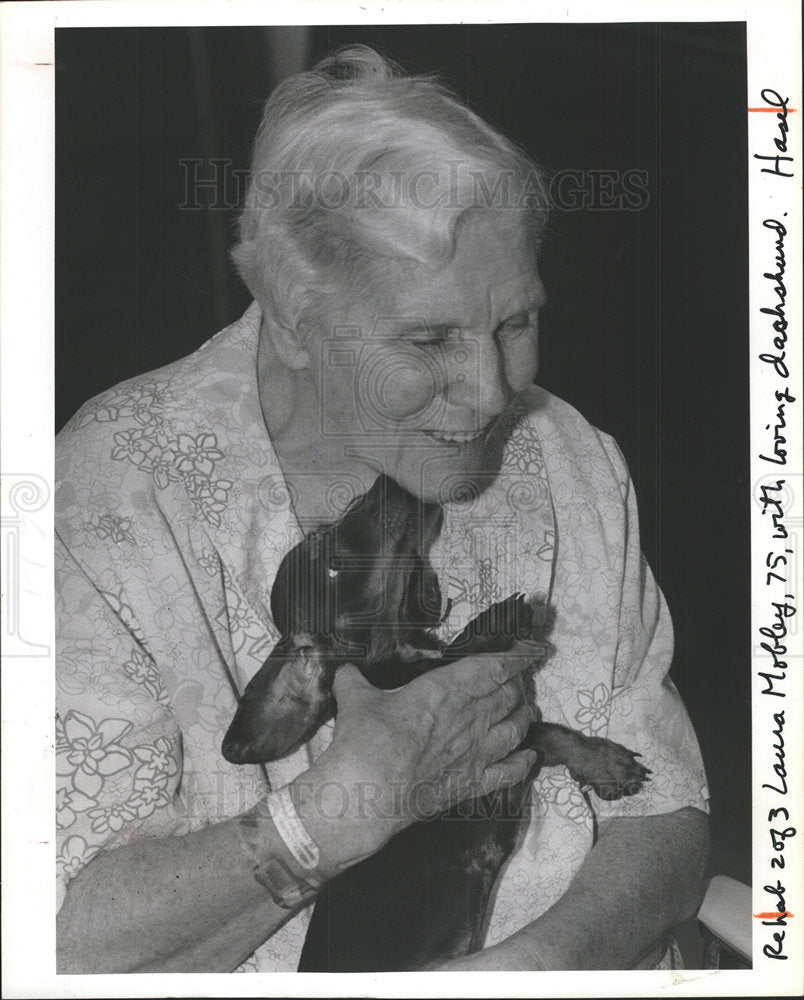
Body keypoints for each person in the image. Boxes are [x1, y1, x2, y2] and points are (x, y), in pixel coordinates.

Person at [55, 45, 709, 973]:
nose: (490, 394)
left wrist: (541, 968)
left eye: (515, 322)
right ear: (291, 315)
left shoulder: (564, 456)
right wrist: (341, 808)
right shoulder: (102, 501)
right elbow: (57, 946)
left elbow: (668, 814)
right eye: (429, 337)